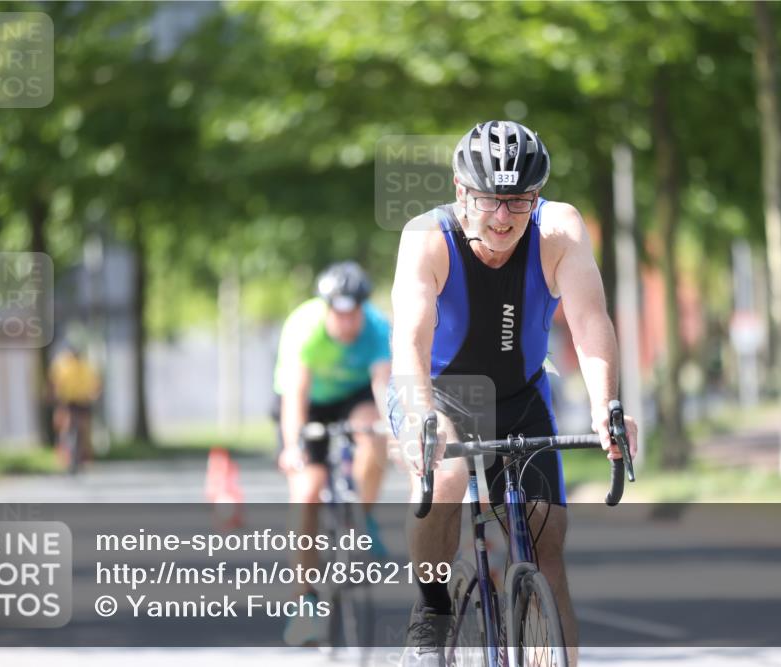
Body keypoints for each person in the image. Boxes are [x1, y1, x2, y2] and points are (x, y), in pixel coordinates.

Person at [389, 120, 638, 666]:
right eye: (488, 200)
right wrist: (420, 420)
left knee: (549, 547)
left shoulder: (560, 231)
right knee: (449, 474)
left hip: (521, 393)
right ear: (461, 192)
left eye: (519, 201)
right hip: (435, 390)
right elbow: (408, 338)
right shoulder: (427, 238)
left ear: (537, 196)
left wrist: (606, 408)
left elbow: (590, 320)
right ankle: (431, 614)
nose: (503, 217)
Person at [272, 261, 392, 645]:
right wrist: (293, 448)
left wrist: (395, 435)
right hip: (309, 404)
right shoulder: (304, 328)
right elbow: (295, 398)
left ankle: (363, 515)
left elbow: (383, 388)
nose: (345, 322)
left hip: (354, 399)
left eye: (352, 313)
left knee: (371, 433)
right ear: (326, 308)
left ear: (361, 308)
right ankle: (304, 600)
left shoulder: (376, 328)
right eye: (337, 313)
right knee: (307, 490)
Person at [48, 342, 101, 467]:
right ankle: (63, 453)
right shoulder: (62, 364)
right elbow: (54, 381)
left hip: (82, 400)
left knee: (84, 429)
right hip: (67, 401)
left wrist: (94, 394)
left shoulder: (86, 366)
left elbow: (95, 383)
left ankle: (83, 455)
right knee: (64, 426)